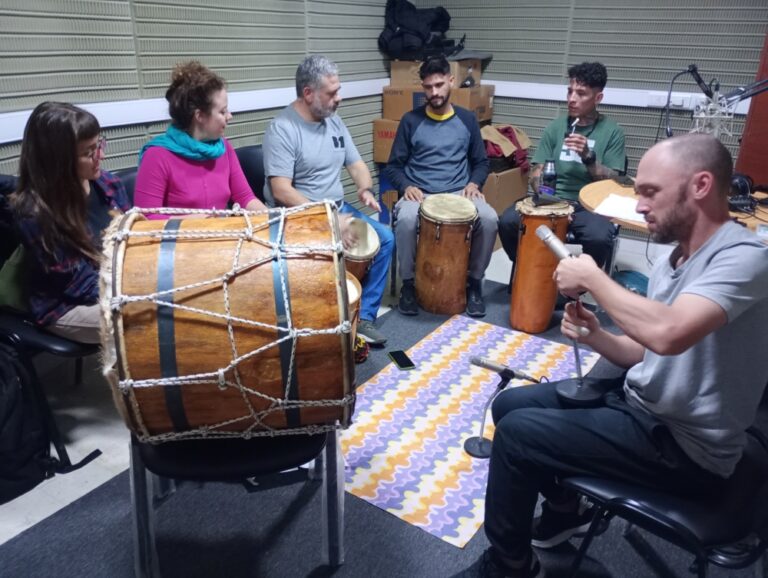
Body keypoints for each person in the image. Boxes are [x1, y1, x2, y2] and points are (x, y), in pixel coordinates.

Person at [459, 133, 768, 578]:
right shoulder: (676, 258)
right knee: (510, 405)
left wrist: (594, 278)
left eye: (649, 192)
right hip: (641, 407)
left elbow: (669, 333)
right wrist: (597, 334)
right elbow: (642, 352)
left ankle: (510, 566)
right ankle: (567, 510)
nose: (639, 205)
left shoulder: (747, 258)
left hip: (687, 448)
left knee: (519, 436)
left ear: (700, 186)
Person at [262, 54, 393, 347]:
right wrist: (328, 217)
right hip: (298, 215)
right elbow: (281, 190)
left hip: (336, 207)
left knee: (384, 239)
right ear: (308, 94)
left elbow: (356, 164)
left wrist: (365, 189)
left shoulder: (334, 122)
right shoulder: (283, 129)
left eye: (339, 90)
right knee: (330, 253)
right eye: (332, 93)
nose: (339, 99)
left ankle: (365, 317)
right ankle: (322, 324)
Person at [8, 102, 130, 344]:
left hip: (117, 282)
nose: (100, 156)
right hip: (65, 305)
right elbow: (78, 285)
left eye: (99, 145)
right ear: (58, 161)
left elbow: (132, 238)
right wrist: (135, 290)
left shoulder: (108, 184)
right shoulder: (36, 213)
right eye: (88, 153)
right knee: (144, 319)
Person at [385, 55, 495, 318]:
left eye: (439, 85)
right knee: (407, 220)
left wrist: (474, 182)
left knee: (490, 219)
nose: (434, 92)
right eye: (428, 87)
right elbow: (393, 166)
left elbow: (481, 162)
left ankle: (474, 282)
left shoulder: (467, 120)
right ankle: (409, 285)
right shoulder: (410, 121)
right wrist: (406, 185)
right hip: (420, 193)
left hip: (459, 192)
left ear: (451, 81)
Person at [498, 62, 626, 274]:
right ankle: (528, 271)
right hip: (553, 200)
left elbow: (613, 182)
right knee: (507, 221)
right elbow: (536, 172)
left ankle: (577, 284)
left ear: (598, 98)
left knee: (599, 237)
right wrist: (551, 204)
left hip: (589, 206)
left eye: (581, 93)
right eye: (569, 91)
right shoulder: (555, 127)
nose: (571, 99)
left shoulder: (612, 132)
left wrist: (588, 157)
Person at [134, 61, 267, 218]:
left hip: (220, 236)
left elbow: (245, 199)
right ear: (200, 116)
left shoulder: (223, 148)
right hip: (180, 241)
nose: (229, 116)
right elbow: (145, 220)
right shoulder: (157, 156)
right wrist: (195, 221)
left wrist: (273, 218)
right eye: (222, 111)